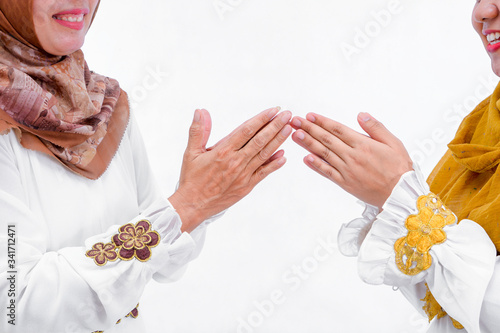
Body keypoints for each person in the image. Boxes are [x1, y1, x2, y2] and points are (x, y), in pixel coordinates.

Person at [0, 0, 292, 332]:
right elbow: (16, 307)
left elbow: (162, 264)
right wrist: (186, 206)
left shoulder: (101, 104)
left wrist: (203, 200)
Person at [291, 1, 500, 332]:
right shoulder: (482, 126)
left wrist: (409, 207)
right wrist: (390, 197)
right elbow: (449, 305)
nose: (483, 11)